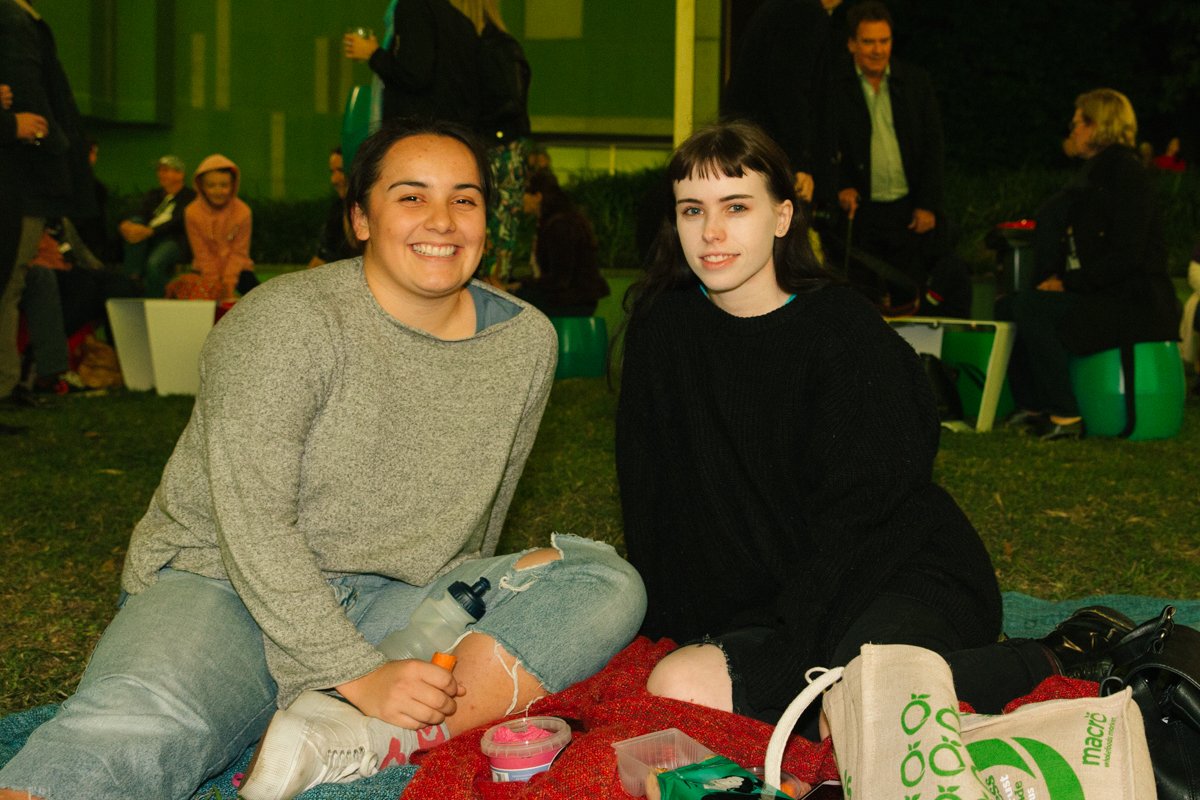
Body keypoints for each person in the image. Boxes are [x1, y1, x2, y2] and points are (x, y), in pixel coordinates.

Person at [0, 117, 645, 800]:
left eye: (464, 199)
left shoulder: (525, 342)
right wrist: (355, 671)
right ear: (360, 219)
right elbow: (250, 521)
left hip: (394, 597)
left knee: (604, 582)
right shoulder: (283, 324)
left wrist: (446, 618)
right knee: (137, 725)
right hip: (226, 583)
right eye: (410, 196)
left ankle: (364, 733)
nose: (442, 220)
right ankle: (335, 704)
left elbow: (483, 505)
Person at [615, 120, 1157, 753]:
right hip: (775, 598)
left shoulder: (842, 334)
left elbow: (862, 521)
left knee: (852, 714)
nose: (711, 233)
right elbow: (652, 503)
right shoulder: (663, 332)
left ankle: (1053, 656)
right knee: (677, 683)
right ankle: (876, 690)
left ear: (783, 217)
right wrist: (677, 633)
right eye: (692, 210)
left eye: (737, 207)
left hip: (893, 567)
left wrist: (790, 657)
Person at [1001, 89, 1180, 440]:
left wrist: (1068, 284)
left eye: (1077, 123)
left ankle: (1065, 416)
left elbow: (1127, 257)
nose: (1072, 130)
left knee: (1032, 309)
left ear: (1098, 126)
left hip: (1133, 302)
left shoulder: (1127, 175)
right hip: (1100, 292)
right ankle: (1034, 405)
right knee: (1010, 305)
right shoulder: (1094, 175)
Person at [0, 0, 97, 404]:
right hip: (23, 175)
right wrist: (45, 139)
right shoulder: (12, 17)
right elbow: (29, 86)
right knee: (10, 282)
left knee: (22, 280)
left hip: (23, 174)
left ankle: (19, 379)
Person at [829, 1, 945, 312]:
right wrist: (839, 186)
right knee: (862, 302)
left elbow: (933, 146)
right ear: (852, 44)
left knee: (910, 299)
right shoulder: (834, 86)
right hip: (860, 213)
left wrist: (927, 204)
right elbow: (824, 143)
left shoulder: (915, 82)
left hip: (906, 215)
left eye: (884, 41)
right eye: (868, 41)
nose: (878, 50)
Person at [722, 0, 842, 204]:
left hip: (750, 148)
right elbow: (788, 90)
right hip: (770, 156)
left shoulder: (782, 8)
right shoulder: (804, 12)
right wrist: (799, 163)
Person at [342, 0, 480, 131]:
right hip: (451, 132)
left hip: (417, 133)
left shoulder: (413, 7)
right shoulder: (458, 18)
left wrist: (373, 54)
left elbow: (414, 74)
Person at [514, 169, 609, 317]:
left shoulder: (560, 225)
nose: (519, 199)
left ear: (537, 196)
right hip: (575, 298)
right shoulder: (557, 221)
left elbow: (559, 280)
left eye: (523, 194)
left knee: (513, 304)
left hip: (574, 300)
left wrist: (521, 285)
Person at [168, 153, 255, 301]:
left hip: (238, 271)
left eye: (224, 185)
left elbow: (239, 253)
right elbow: (201, 253)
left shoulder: (243, 212)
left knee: (258, 300)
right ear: (201, 186)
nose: (218, 191)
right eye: (211, 185)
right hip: (204, 270)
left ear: (233, 185)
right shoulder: (191, 212)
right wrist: (214, 287)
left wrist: (227, 287)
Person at [118, 154, 196, 296]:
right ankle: (134, 278)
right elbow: (140, 212)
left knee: (155, 263)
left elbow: (178, 222)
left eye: (165, 170)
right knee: (135, 222)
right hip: (147, 237)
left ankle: (154, 298)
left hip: (174, 240)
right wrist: (127, 224)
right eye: (159, 170)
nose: (161, 174)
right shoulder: (154, 195)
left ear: (179, 174)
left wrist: (150, 231)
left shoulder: (190, 196)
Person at [307, 146, 356, 268]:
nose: (334, 179)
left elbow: (356, 244)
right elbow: (321, 257)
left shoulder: (372, 211)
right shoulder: (337, 209)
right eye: (332, 172)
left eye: (341, 170)